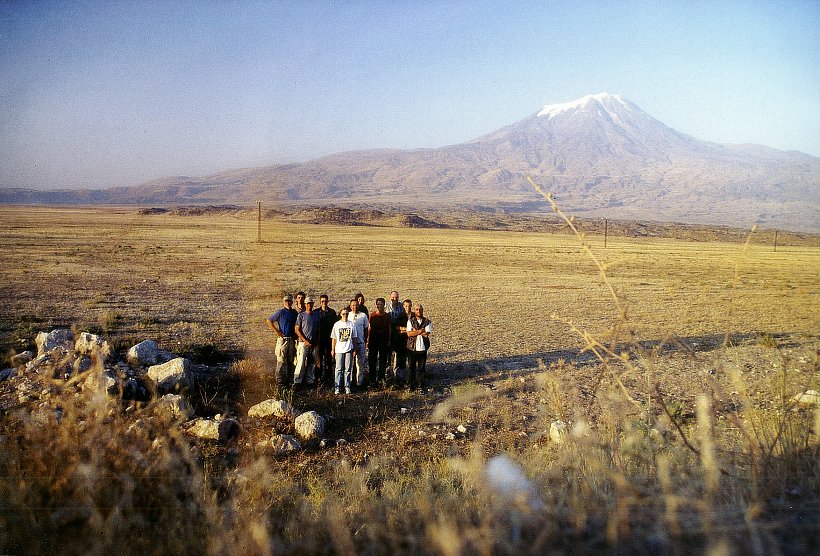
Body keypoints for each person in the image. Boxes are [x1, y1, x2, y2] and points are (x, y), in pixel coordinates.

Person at [265, 294, 298, 388]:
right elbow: (269, 320)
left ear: (292, 302)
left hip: (292, 339)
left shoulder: (294, 313)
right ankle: (279, 381)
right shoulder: (280, 312)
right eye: (286, 301)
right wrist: (277, 332)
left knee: (291, 361)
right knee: (281, 360)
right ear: (283, 302)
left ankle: (290, 380)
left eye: (289, 301)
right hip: (283, 340)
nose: (288, 302)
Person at [294, 296, 321, 388]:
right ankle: (297, 382)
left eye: (311, 303)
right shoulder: (301, 315)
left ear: (313, 304)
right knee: (301, 362)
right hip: (303, 343)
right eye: (307, 303)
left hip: (314, 343)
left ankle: (310, 381)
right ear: (305, 305)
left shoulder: (316, 315)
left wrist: (317, 342)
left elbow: (318, 329)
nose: (309, 305)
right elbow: (297, 329)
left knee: (312, 363)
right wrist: (305, 340)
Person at [404, 302, 432, 392]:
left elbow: (426, 334)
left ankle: (421, 386)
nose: (418, 311)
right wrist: (420, 331)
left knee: (421, 369)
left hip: (422, 348)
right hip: (412, 348)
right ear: (414, 311)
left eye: (420, 309)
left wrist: (415, 331)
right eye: (416, 309)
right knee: (411, 368)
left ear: (422, 310)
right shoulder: (410, 321)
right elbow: (409, 334)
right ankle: (411, 386)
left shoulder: (427, 321)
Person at [331, 307, 358, 395]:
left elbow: (354, 338)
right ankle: (337, 387)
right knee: (338, 369)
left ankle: (347, 386)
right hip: (339, 349)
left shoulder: (351, 324)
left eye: (346, 314)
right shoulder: (337, 324)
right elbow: (334, 338)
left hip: (349, 349)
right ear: (340, 315)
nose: (345, 315)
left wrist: (355, 349)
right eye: (343, 314)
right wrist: (333, 349)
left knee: (348, 369)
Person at [368, 297, 391, 387]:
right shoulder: (372, 315)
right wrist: (368, 340)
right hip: (373, 340)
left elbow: (389, 328)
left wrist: (389, 340)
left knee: (383, 360)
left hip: (384, 340)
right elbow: (369, 329)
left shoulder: (387, 316)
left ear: (384, 305)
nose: (379, 306)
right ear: (376, 305)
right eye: (378, 304)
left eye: (381, 304)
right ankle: (372, 380)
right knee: (372, 360)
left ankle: (381, 379)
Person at [316, 294, 337, 388]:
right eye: (322, 301)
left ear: (328, 301)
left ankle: (329, 379)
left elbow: (335, 327)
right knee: (319, 361)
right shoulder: (316, 312)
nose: (324, 303)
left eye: (325, 301)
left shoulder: (332, 312)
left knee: (329, 361)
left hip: (329, 341)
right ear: (320, 302)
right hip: (319, 341)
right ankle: (318, 379)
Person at [347, 298, 369, 389]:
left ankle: (359, 383)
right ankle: (350, 383)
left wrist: (365, 340)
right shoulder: (347, 315)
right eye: (353, 305)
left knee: (360, 364)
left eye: (356, 305)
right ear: (350, 306)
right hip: (350, 344)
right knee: (350, 365)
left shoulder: (363, 316)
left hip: (360, 343)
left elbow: (366, 329)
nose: (354, 307)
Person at [387, 292, 408, 383]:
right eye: (393, 297)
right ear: (390, 297)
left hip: (399, 335)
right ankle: (388, 377)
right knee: (389, 356)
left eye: (396, 297)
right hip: (388, 334)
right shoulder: (386, 306)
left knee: (399, 357)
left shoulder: (402, 307)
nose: (394, 299)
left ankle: (399, 379)